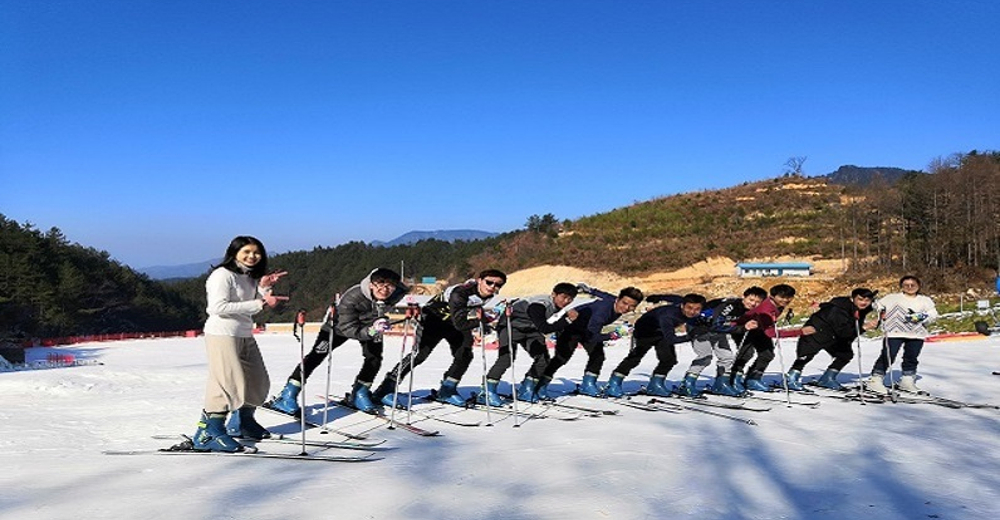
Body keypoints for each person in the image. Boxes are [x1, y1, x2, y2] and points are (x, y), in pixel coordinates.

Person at [192, 236, 288, 452]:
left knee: (257, 380)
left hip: (244, 333)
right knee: (226, 383)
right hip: (222, 334)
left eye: (256, 252)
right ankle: (209, 432)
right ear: (234, 253)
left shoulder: (249, 276)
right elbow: (217, 308)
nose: (252, 256)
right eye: (246, 252)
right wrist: (259, 303)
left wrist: (263, 288)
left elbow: (251, 301)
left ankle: (243, 423)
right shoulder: (222, 275)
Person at [268, 268, 409, 414]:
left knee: (374, 358)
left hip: (371, 325)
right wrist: (372, 330)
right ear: (371, 284)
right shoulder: (353, 297)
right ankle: (288, 395)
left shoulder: (397, 292)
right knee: (315, 357)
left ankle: (360, 393)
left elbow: (404, 290)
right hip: (338, 327)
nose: (385, 289)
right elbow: (350, 330)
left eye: (390, 285)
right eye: (380, 284)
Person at [369, 269, 507, 407]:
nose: (493, 287)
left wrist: (486, 324)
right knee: (419, 355)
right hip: (433, 319)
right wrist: (488, 318)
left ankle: (447, 390)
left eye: (498, 285)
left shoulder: (486, 294)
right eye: (489, 282)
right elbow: (461, 323)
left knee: (464, 354)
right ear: (479, 280)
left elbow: (473, 310)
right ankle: (384, 390)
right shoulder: (460, 293)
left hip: (452, 322)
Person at [536, 286, 644, 398]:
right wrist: (613, 335)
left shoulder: (613, 300)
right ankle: (539, 384)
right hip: (570, 328)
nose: (627, 308)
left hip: (587, 329)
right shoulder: (602, 313)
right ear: (618, 300)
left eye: (632, 306)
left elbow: (604, 295)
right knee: (561, 358)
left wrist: (591, 290)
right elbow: (592, 337)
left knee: (598, 355)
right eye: (625, 303)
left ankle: (588, 384)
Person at [482, 282, 580, 404]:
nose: (566, 301)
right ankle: (486, 391)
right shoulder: (539, 304)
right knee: (506, 359)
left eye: (570, 299)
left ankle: (526, 389)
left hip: (530, 329)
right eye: (563, 297)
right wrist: (568, 320)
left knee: (543, 359)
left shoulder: (556, 306)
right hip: (509, 326)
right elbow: (544, 328)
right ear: (554, 294)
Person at [604, 293, 707, 397]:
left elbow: (674, 297)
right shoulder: (668, 316)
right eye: (689, 308)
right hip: (644, 332)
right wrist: (691, 336)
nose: (692, 312)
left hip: (660, 332)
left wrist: (658, 297)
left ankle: (655, 385)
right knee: (634, 358)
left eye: (697, 309)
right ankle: (613, 384)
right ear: (682, 305)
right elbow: (671, 339)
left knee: (669, 360)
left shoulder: (681, 302)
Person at [785, 288, 878, 391]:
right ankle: (791, 377)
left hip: (834, 337)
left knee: (845, 354)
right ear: (852, 299)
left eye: (867, 300)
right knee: (805, 355)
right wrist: (864, 327)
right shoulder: (838, 310)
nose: (864, 303)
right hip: (816, 332)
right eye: (860, 299)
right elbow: (844, 332)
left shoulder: (858, 308)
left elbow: (850, 331)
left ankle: (828, 378)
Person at [684, 287, 767, 397]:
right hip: (699, 328)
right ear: (744, 297)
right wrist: (742, 328)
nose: (753, 304)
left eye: (757, 302)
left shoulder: (746, 309)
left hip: (716, 331)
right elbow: (715, 324)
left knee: (727, 357)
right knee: (705, 356)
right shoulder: (730, 305)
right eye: (751, 300)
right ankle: (686, 385)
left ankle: (721, 384)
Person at [866, 275, 939, 394]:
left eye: (912, 285)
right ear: (901, 286)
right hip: (894, 332)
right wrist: (873, 302)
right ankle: (876, 379)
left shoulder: (925, 300)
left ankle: (907, 380)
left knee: (911, 357)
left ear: (918, 286)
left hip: (916, 333)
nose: (910, 287)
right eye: (906, 285)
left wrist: (921, 317)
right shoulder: (892, 298)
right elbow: (878, 306)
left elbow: (933, 314)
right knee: (888, 355)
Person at [730, 284, 797, 392]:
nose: (785, 300)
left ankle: (753, 379)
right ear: (772, 296)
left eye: (789, 297)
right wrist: (800, 332)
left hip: (760, 328)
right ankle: (733, 377)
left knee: (767, 354)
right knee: (746, 353)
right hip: (743, 328)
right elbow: (771, 333)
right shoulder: (766, 307)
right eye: (782, 297)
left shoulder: (779, 304)